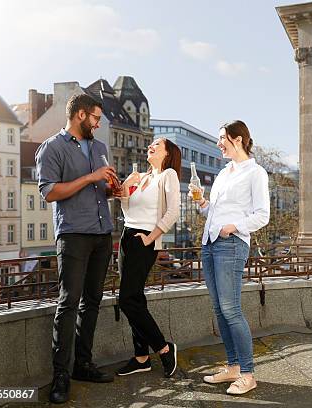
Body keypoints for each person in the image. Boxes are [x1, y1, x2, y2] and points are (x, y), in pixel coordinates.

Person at [36, 94, 119, 404]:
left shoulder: (99, 148)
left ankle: (84, 365)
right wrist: (90, 177)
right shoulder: (52, 147)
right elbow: (50, 193)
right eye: (95, 118)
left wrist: (113, 188)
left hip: (102, 233)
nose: (98, 123)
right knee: (69, 302)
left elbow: (103, 188)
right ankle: (61, 376)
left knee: (93, 301)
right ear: (81, 115)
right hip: (73, 234)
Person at [190, 120, 269, 395]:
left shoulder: (255, 173)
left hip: (231, 244)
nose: (218, 143)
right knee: (219, 309)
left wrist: (233, 227)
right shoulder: (224, 172)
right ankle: (234, 367)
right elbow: (217, 210)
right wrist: (202, 204)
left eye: (222, 138)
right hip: (211, 244)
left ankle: (248, 373)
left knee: (232, 309)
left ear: (237, 139)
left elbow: (262, 214)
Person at [115, 138, 181, 378]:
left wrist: (152, 237)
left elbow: (173, 211)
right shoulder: (141, 177)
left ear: (167, 153)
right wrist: (125, 187)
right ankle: (141, 357)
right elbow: (127, 211)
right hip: (127, 236)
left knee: (127, 299)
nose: (150, 147)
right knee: (135, 298)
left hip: (144, 240)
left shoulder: (168, 175)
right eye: (149, 145)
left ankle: (164, 348)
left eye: (156, 145)